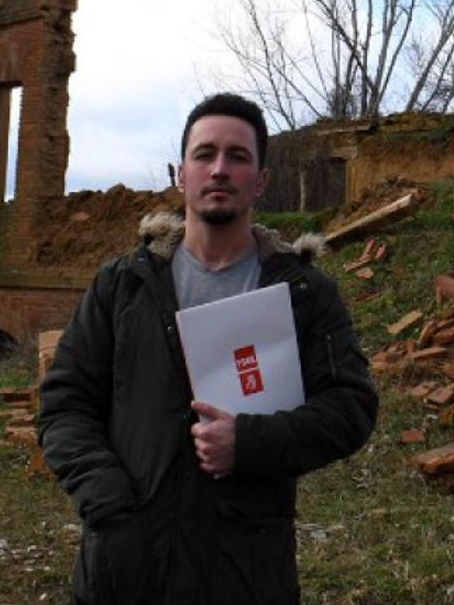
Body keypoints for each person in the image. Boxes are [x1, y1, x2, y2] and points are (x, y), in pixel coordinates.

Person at [39, 93, 377, 605]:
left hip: (244, 570)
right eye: (205, 154)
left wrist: (250, 442)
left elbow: (351, 408)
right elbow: (65, 401)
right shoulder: (125, 284)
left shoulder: (302, 292)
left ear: (260, 180)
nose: (219, 169)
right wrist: (106, 500)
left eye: (238, 157)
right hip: (125, 571)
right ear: (181, 174)